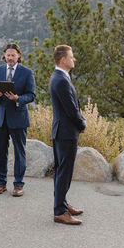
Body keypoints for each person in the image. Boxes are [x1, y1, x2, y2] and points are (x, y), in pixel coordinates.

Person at [0, 42, 36, 196]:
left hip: (18, 118)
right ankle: (0, 183)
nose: (10, 58)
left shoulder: (27, 73)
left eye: (13, 55)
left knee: (19, 152)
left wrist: (17, 98)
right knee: (1, 152)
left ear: (18, 56)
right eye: (8, 55)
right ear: (4, 56)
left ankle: (18, 185)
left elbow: (32, 95)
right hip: (0, 118)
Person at [49, 45, 87, 225]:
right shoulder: (61, 80)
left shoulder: (59, 77)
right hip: (66, 132)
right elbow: (71, 109)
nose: (74, 60)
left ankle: (62, 204)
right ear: (63, 59)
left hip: (61, 130)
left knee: (61, 170)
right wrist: (82, 123)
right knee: (64, 171)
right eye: (71, 57)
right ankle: (60, 211)